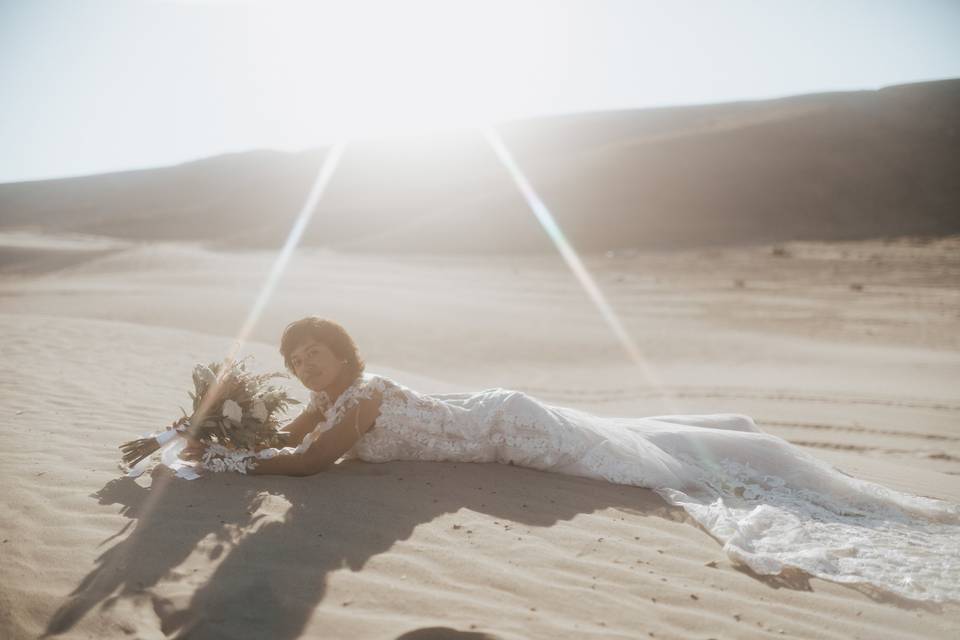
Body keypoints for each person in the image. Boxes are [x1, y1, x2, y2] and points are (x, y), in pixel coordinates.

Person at [182, 316, 960, 602]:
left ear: (342, 352)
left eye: (315, 351)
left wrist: (219, 466)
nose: (304, 366)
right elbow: (297, 445)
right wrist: (225, 438)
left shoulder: (367, 394)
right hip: (493, 421)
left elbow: (313, 466)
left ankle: (772, 484)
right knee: (645, 455)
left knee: (653, 470)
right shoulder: (331, 403)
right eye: (293, 361)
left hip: (512, 426)